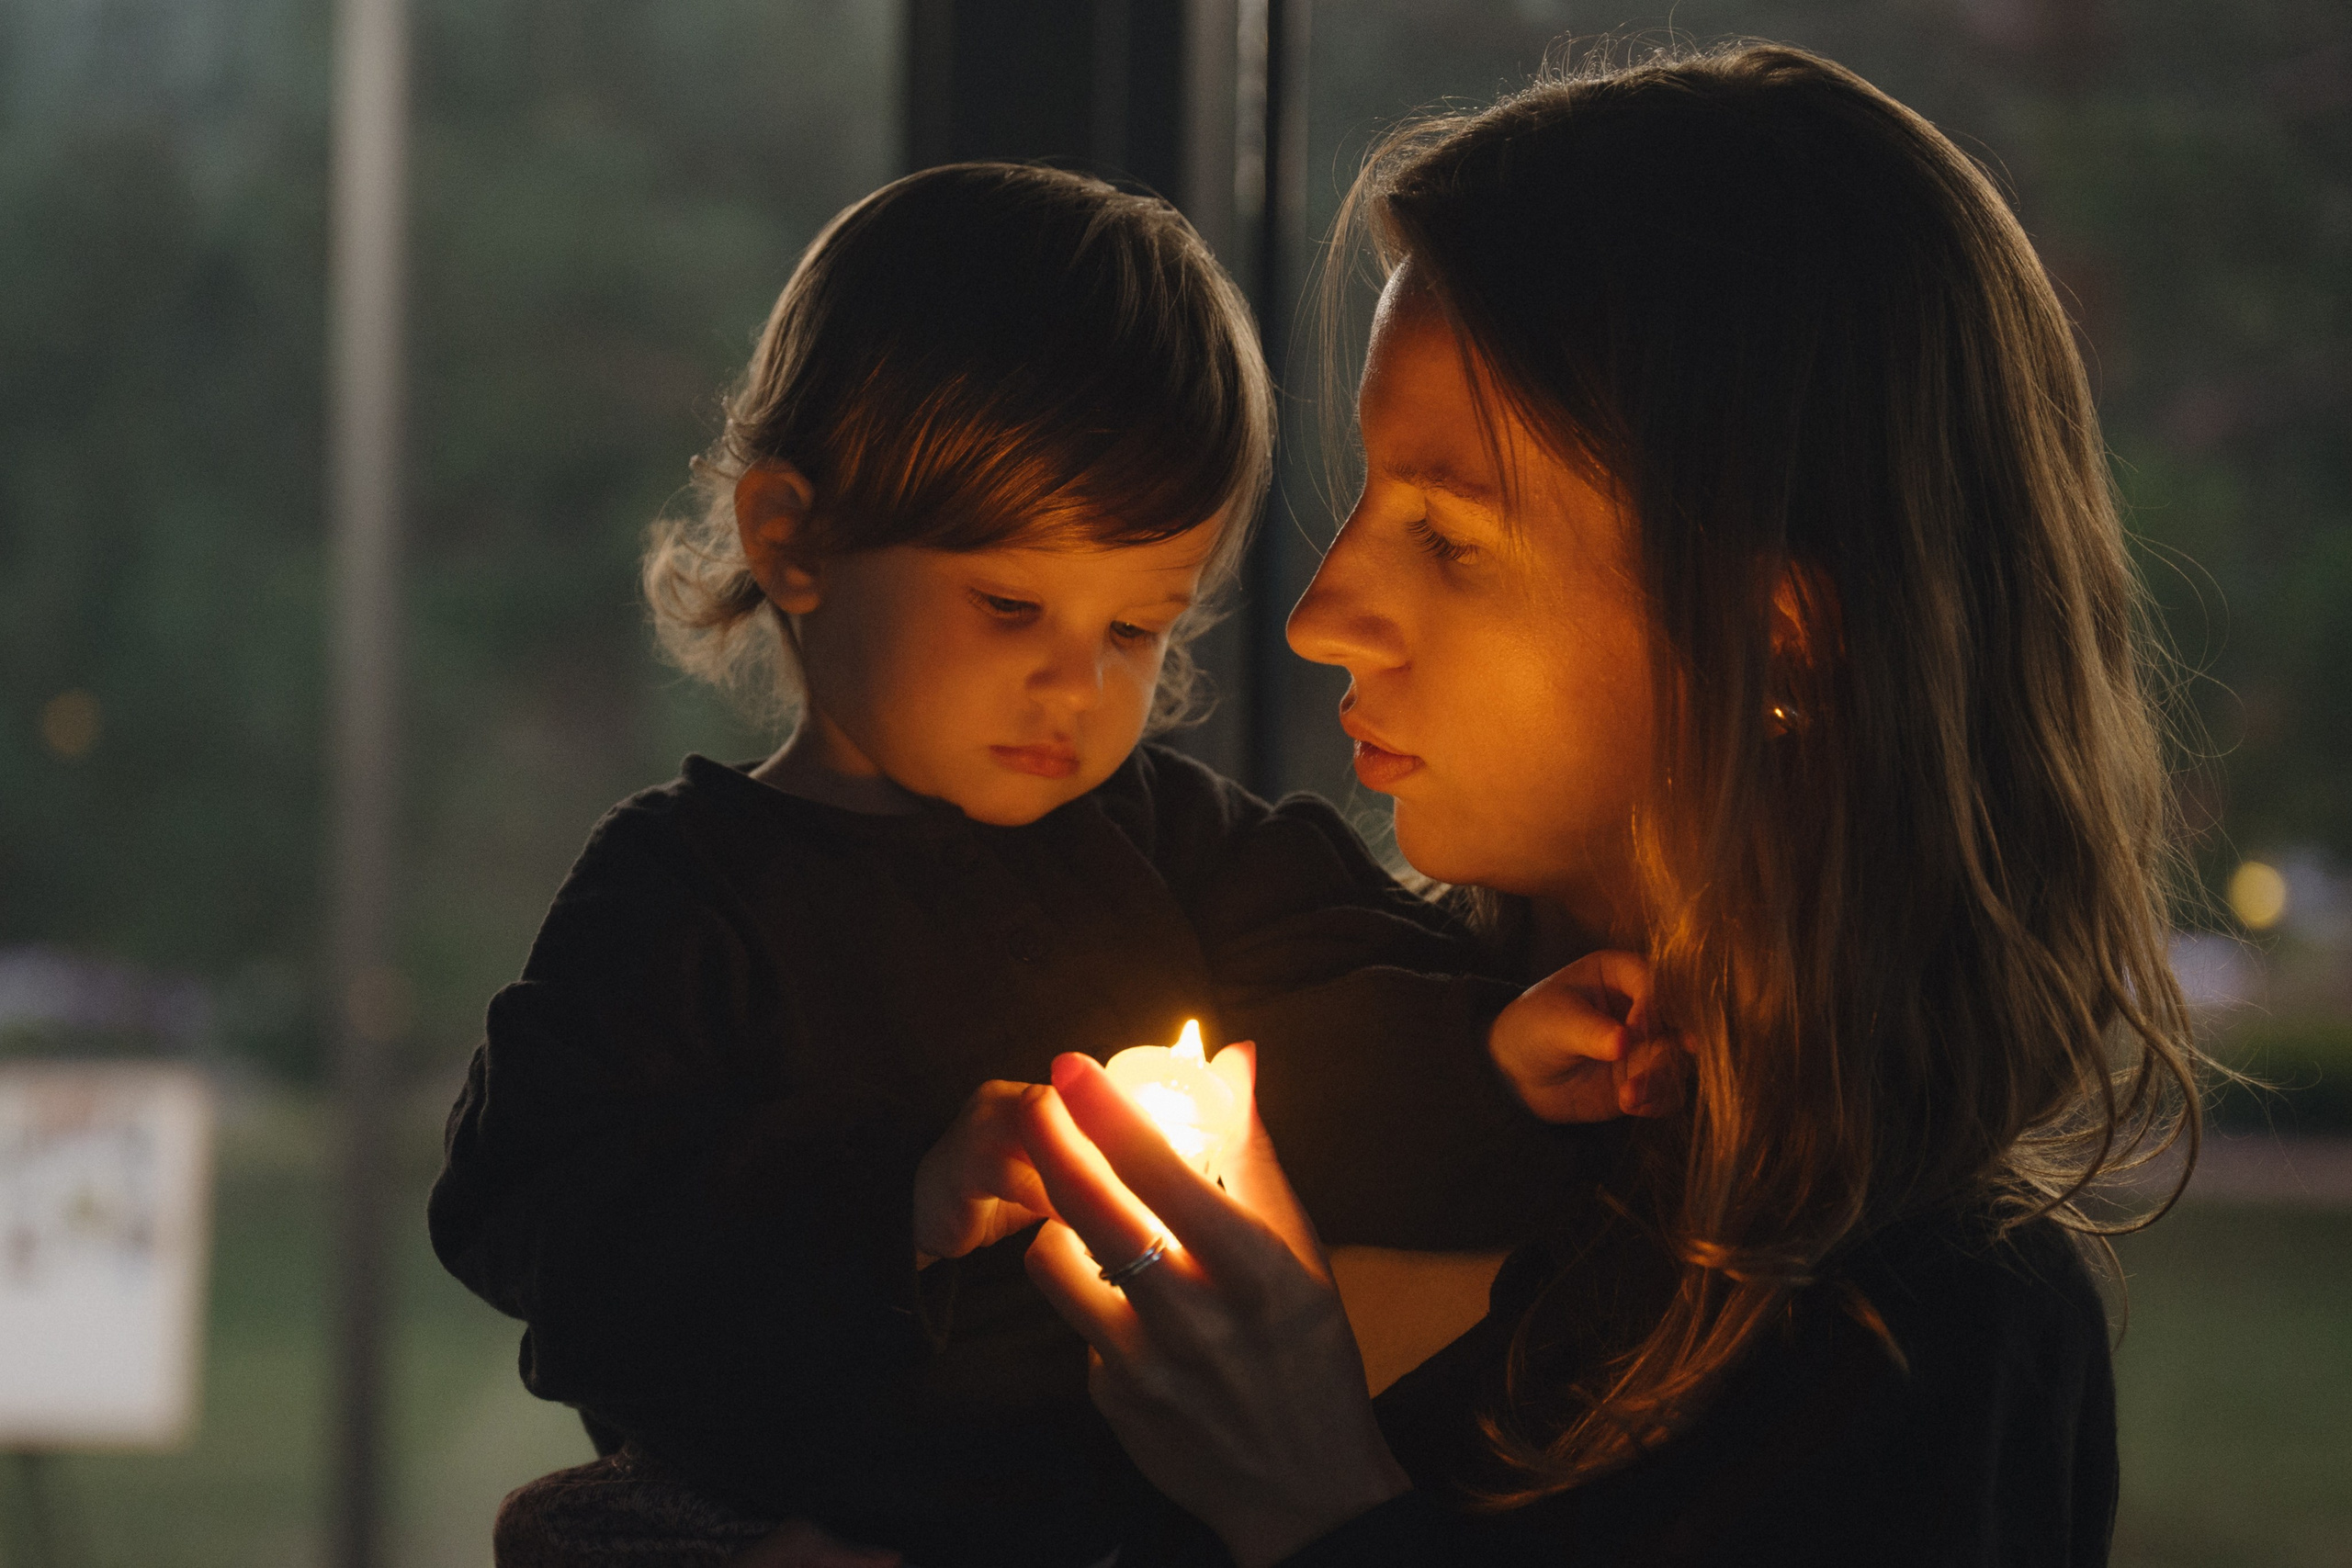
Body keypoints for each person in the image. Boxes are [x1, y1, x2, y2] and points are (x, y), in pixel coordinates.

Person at [1015, 43, 2200, 1568]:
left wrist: (1312, 1509)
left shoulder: (1927, 1353)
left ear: (1779, 634)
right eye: (1367, 499)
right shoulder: (1346, 1076)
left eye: (1447, 539)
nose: (1318, 613)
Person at [427, 162, 1622, 1568]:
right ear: (792, 540)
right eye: (1012, 607)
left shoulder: (1168, 842)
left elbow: (1343, 986)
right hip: (753, 1505)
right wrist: (895, 1200)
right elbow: (532, 1215)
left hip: (1113, 1517)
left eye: (1138, 631)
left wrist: (1488, 1057)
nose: (1076, 692)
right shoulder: (684, 893)